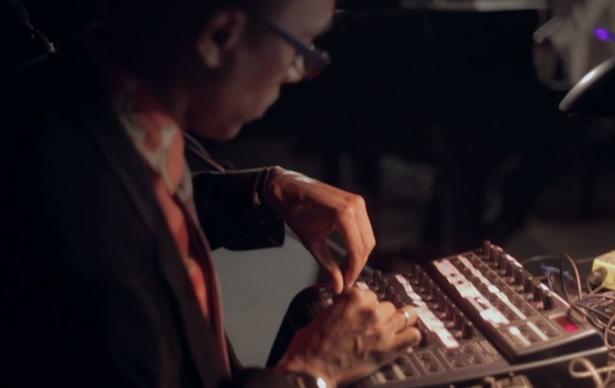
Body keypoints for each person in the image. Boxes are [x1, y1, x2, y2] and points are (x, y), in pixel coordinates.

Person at [0, 0, 421, 387]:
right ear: (219, 37)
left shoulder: (77, 99)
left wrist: (263, 192)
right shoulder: (81, 212)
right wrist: (313, 374)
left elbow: (147, 210)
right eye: (300, 50)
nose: (297, 75)